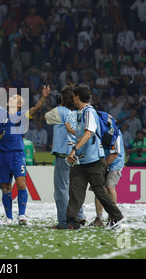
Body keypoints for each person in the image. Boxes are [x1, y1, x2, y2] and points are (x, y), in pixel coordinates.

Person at [0, 77, 51, 225]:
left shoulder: (21, 115)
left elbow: (35, 109)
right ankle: (9, 217)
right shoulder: (1, 113)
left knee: (21, 184)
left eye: (13, 97)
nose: (10, 98)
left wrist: (43, 98)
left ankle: (22, 215)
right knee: (5, 187)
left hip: (17, 155)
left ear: (18, 105)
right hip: (2, 156)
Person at [66, 85, 124, 230]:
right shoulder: (82, 113)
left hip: (94, 161)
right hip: (83, 159)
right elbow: (82, 134)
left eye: (73, 96)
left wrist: (74, 149)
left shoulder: (89, 112)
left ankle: (117, 216)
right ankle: (72, 221)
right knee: (75, 188)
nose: (72, 98)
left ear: (77, 97)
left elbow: (89, 133)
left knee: (99, 190)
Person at [45, 85, 86, 228]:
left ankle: (63, 222)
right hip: (77, 154)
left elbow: (46, 118)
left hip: (63, 154)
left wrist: (60, 105)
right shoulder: (79, 113)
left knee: (61, 190)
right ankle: (80, 215)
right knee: (75, 188)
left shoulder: (60, 111)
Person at [90, 130, 125, 227]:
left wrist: (102, 166)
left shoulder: (115, 132)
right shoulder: (96, 130)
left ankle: (113, 217)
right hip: (101, 161)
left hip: (115, 164)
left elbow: (115, 154)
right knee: (98, 189)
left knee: (110, 186)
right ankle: (99, 218)